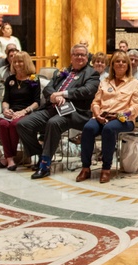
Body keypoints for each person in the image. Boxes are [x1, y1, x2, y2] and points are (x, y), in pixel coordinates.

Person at [18, 44, 99, 178]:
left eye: (82, 55)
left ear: (87, 57)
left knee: (53, 123)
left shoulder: (92, 73)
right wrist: (53, 96)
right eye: (76, 54)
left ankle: (45, 165)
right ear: (71, 56)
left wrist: (63, 94)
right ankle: (41, 153)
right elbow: (47, 88)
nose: (79, 57)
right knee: (23, 124)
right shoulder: (62, 71)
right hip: (52, 108)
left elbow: (87, 91)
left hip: (74, 112)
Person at [78, 50, 138, 184]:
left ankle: (106, 169)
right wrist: (97, 115)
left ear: (128, 65)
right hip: (102, 116)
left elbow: (137, 106)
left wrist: (123, 114)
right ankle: (85, 167)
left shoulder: (134, 83)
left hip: (124, 119)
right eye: (117, 61)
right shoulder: (105, 82)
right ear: (112, 65)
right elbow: (96, 102)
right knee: (88, 128)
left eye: (124, 61)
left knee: (108, 129)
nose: (120, 64)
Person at [0, 52, 41, 171]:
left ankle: (10, 157)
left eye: (20, 61)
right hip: (11, 111)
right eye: (15, 61)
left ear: (26, 62)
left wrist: (24, 111)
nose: (17, 64)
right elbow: (6, 100)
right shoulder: (10, 79)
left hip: (27, 111)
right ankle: (10, 158)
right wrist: (5, 109)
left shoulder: (34, 79)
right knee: (3, 124)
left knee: (15, 125)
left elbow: (37, 102)